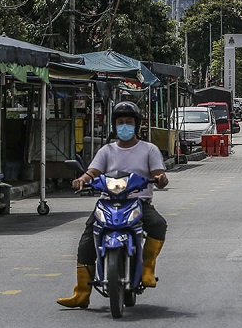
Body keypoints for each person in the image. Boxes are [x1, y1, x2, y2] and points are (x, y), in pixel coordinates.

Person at [57, 101, 169, 308]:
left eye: (128, 122)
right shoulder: (106, 150)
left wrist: (161, 178)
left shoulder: (149, 149)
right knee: (86, 241)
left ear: (136, 125)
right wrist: (82, 179)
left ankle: (147, 269)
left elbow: (157, 174)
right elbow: (93, 172)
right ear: (114, 125)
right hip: (108, 202)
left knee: (158, 224)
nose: (124, 126)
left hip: (138, 202)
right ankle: (82, 293)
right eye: (120, 122)